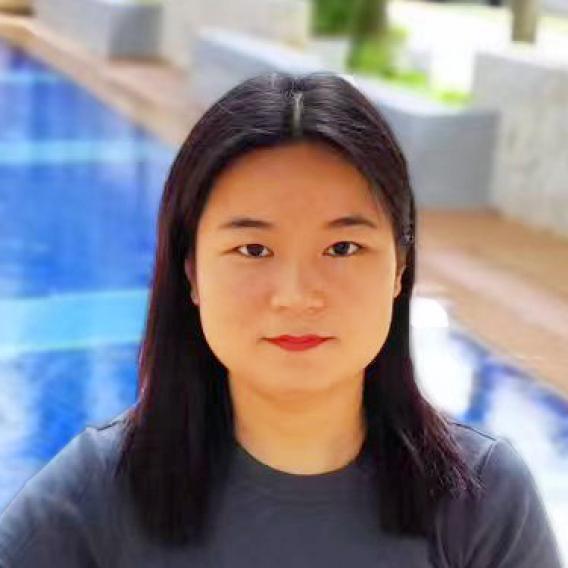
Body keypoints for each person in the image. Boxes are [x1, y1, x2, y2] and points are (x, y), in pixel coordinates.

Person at [0, 71, 563, 567]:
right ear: (192, 272)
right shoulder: (93, 497)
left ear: (399, 267)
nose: (296, 296)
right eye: (253, 249)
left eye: (342, 248)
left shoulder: (484, 499)